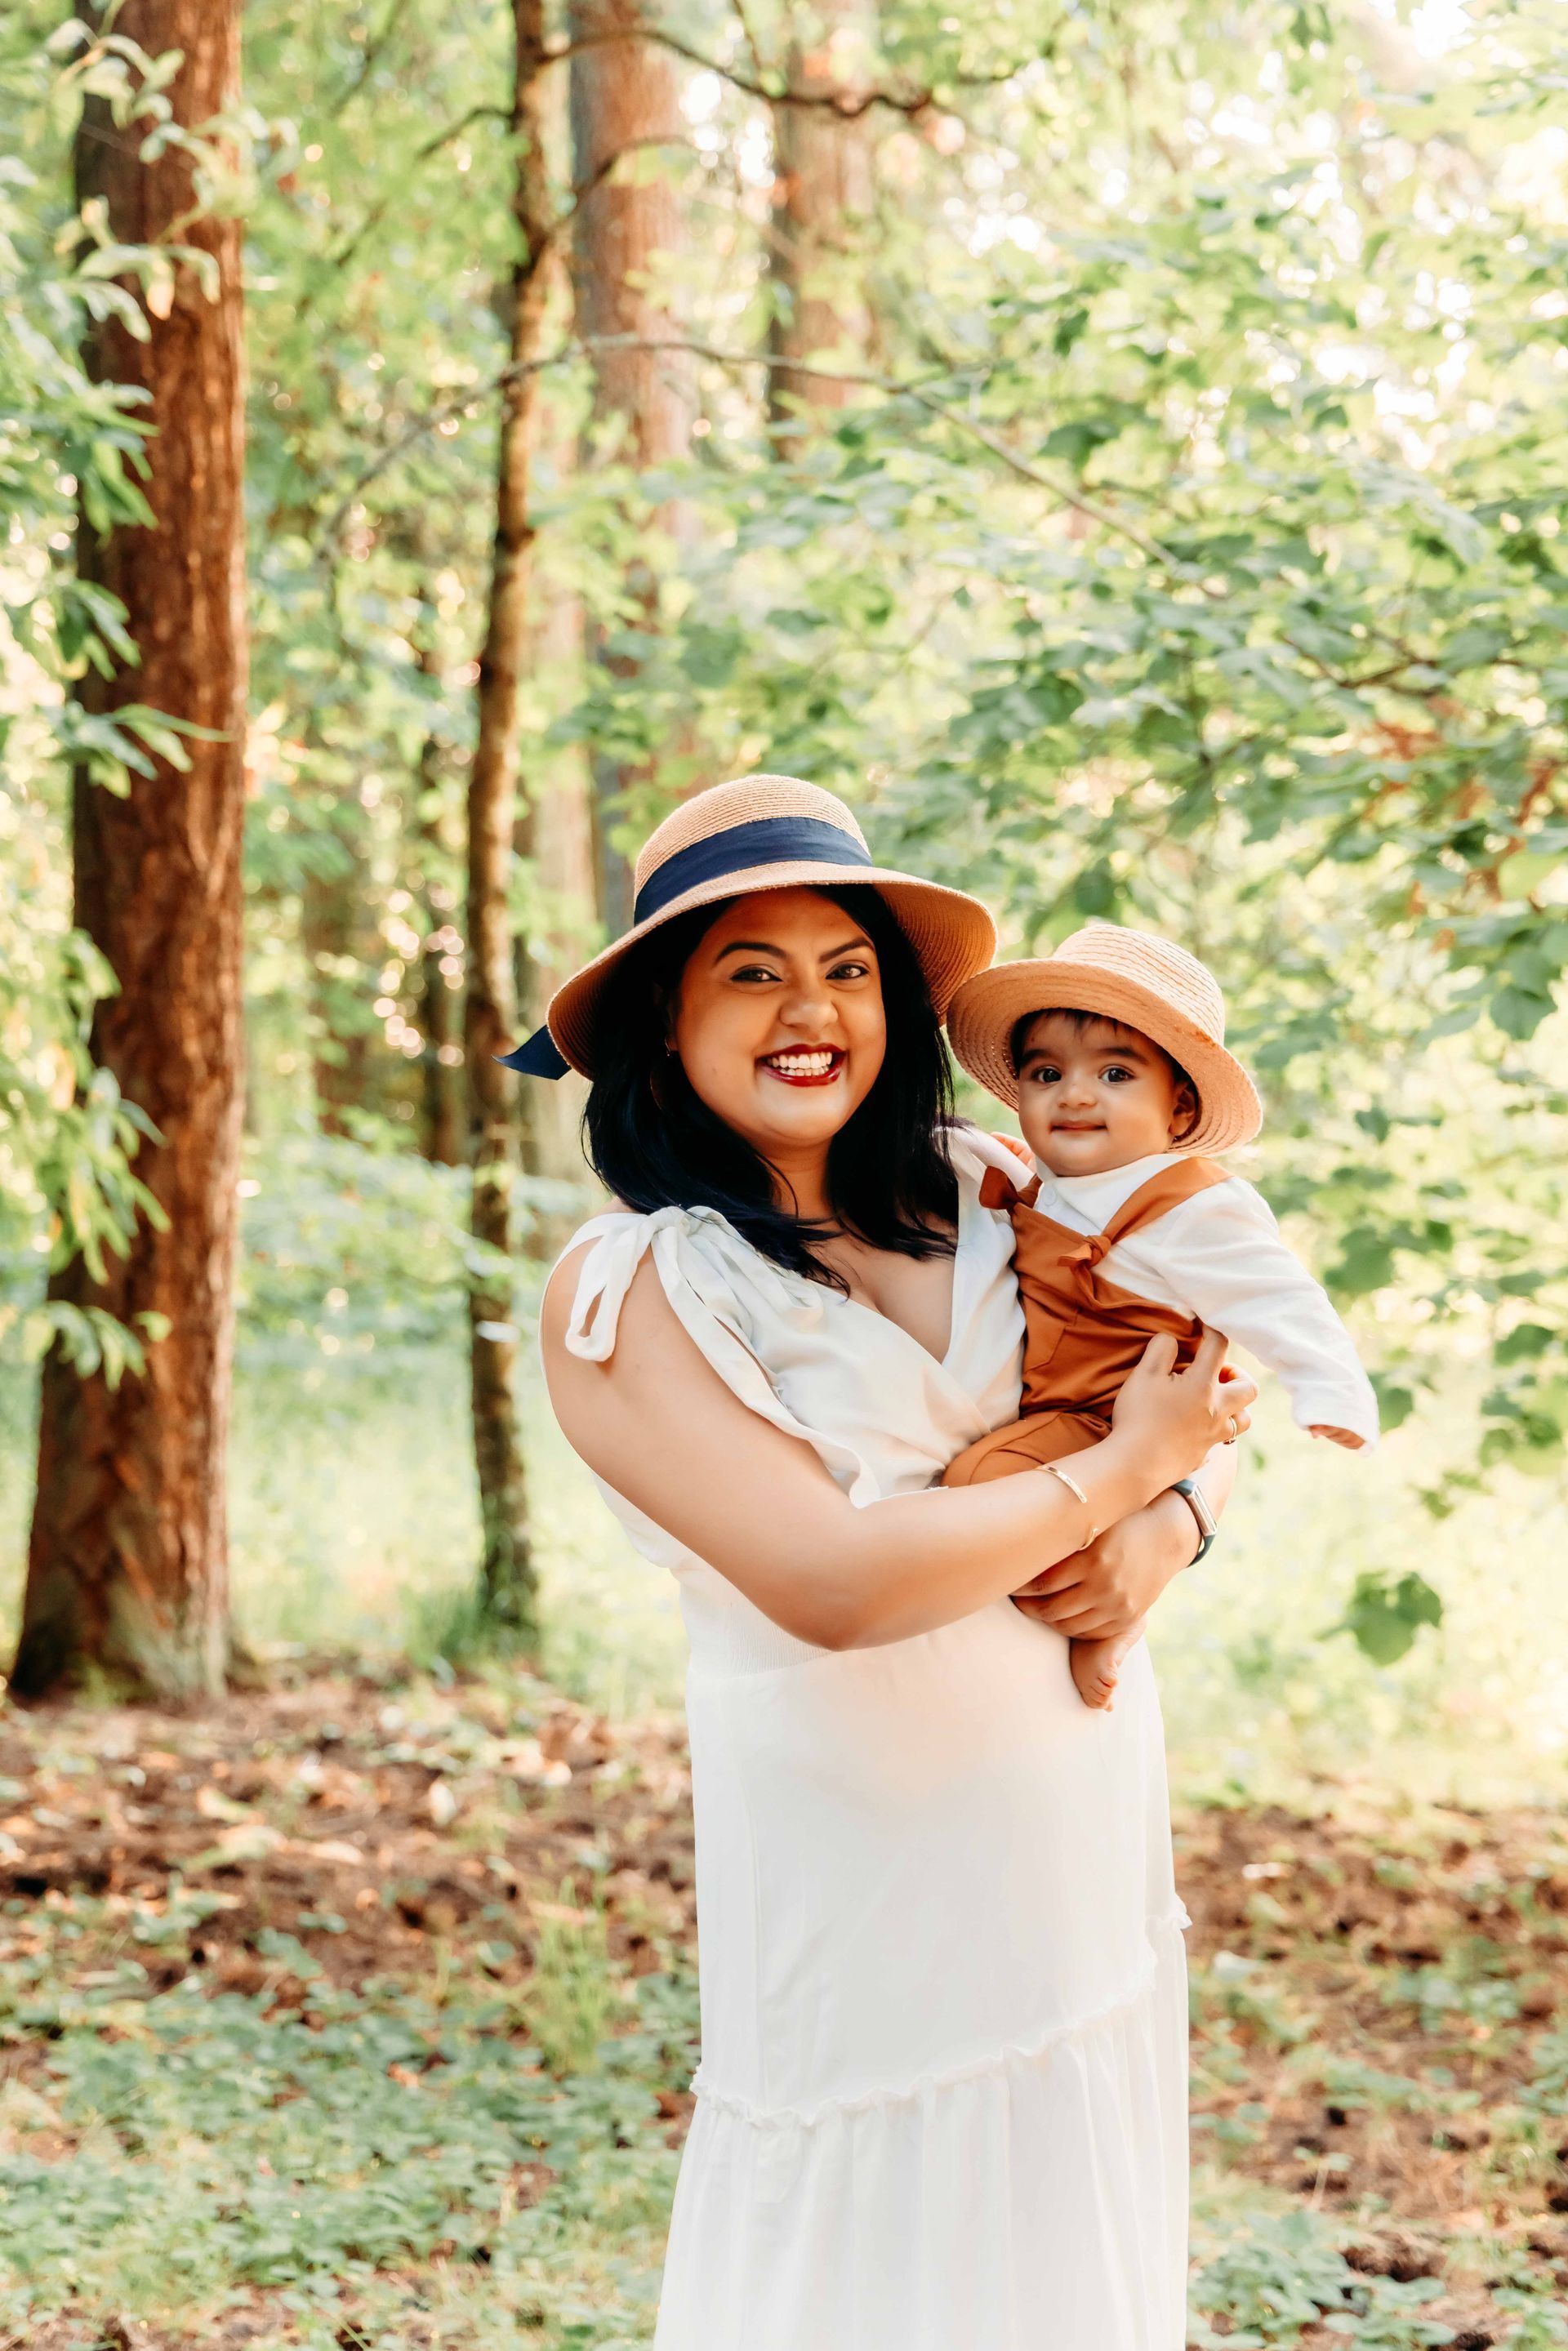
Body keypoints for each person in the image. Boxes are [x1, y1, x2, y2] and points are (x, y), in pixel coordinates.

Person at [508, 775, 1257, 2351]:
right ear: (663, 1020)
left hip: (1073, 1859)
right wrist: (1124, 1470)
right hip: (862, 1905)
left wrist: (1174, 1523)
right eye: (752, 969)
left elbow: (1207, 1373)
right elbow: (833, 1580)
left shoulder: (1001, 1186)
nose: (811, 1008)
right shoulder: (634, 1283)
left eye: (846, 966)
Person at [942, 921, 1378, 1709]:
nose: (1075, 1093)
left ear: (1177, 1109)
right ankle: (1108, 1598)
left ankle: (1108, 1621)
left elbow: (1281, 1297)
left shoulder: (1191, 1205)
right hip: (1067, 1406)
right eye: (1047, 1072)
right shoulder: (1043, 1177)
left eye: (1115, 1071)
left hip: (1106, 1413)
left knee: (980, 1483)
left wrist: (1330, 1391)